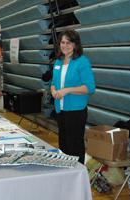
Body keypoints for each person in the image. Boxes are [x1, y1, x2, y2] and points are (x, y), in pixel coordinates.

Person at [50, 30, 95, 164]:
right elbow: (53, 82)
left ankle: (78, 178)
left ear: (75, 44)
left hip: (76, 112)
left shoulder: (82, 62)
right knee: (63, 147)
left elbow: (90, 87)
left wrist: (67, 90)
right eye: (62, 42)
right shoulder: (58, 62)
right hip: (60, 111)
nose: (65, 45)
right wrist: (53, 90)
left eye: (68, 43)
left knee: (74, 147)